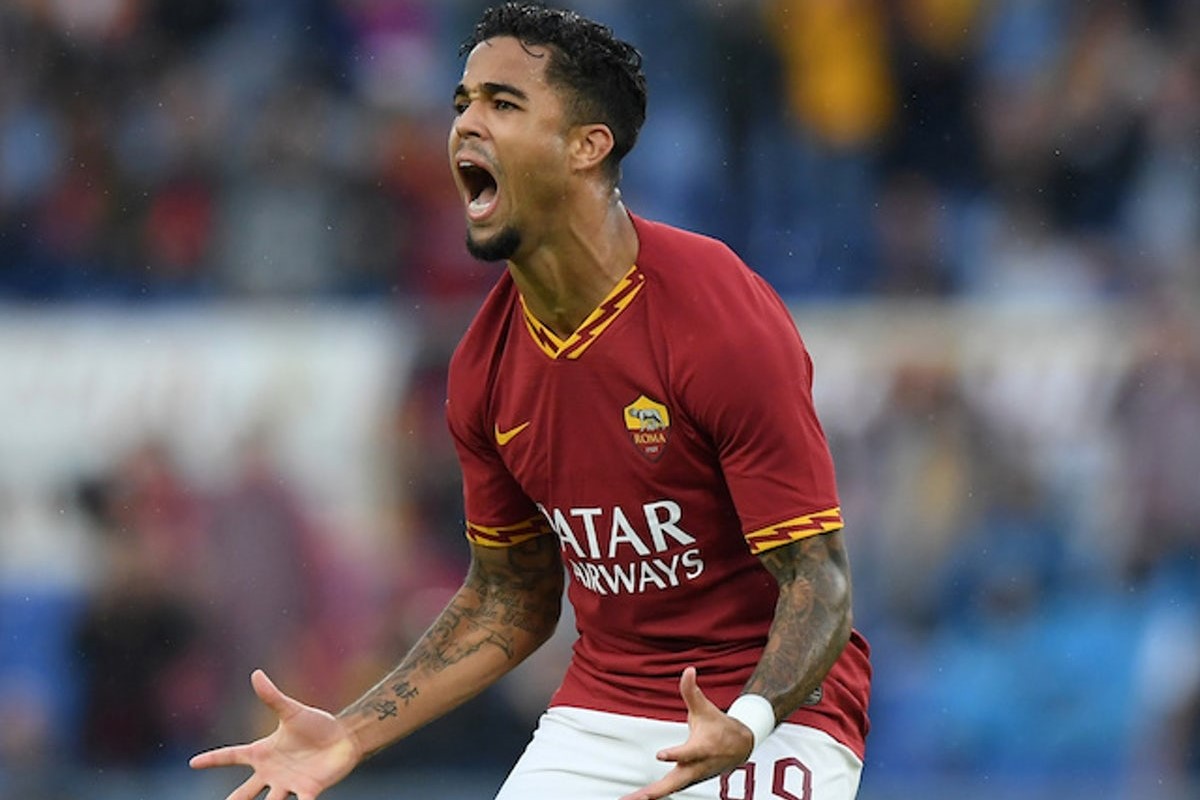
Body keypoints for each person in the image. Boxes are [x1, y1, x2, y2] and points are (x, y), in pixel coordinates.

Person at [189, 4, 871, 799]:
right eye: (462, 103)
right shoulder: (483, 367)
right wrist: (351, 731)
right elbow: (510, 597)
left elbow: (818, 579)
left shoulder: (714, 312)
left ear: (587, 146)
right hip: (605, 711)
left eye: (503, 104)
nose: (466, 125)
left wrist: (748, 721)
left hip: (774, 708)